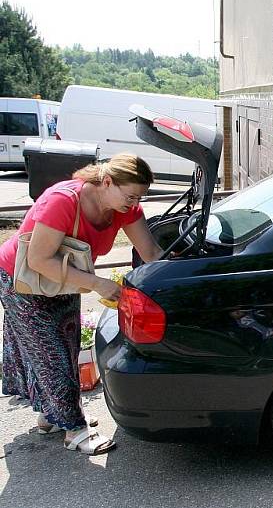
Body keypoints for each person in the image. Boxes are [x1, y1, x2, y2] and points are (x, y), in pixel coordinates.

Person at [0, 154, 162, 455]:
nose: (134, 203)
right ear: (107, 182)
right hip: (22, 282)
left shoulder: (124, 207)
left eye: (140, 197)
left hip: (65, 281)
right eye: (130, 195)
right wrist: (97, 283)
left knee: (68, 348)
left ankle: (52, 416)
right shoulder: (62, 200)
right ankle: (75, 430)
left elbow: (150, 251)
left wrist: (181, 273)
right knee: (51, 354)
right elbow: (38, 260)